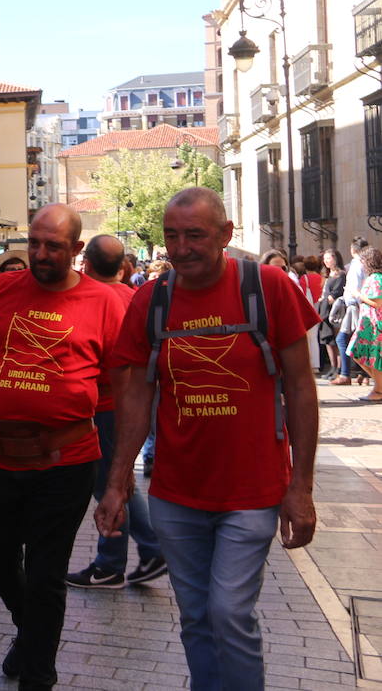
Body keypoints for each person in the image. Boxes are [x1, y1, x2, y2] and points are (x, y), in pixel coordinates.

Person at [97, 188, 318, 691]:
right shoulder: (152, 299)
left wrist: (300, 487)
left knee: (228, 612)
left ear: (225, 235)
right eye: (171, 236)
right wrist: (117, 483)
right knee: (196, 616)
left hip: (253, 491)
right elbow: (134, 396)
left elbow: (302, 388)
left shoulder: (267, 288)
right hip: (176, 493)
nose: (180, 248)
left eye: (194, 235)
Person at [0, 204, 126, 690]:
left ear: (77, 250)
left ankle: (38, 673)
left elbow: (124, 392)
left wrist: (119, 478)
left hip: (67, 462)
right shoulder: (0, 289)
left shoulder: (105, 302)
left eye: (53, 246)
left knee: (46, 574)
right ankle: (31, 629)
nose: (40, 254)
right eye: (34, 243)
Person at [65, 235, 165, 590]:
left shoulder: (98, 299)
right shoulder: (131, 295)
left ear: (87, 265)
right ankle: (147, 551)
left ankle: (116, 561)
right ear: (123, 267)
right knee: (119, 481)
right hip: (128, 403)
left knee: (110, 484)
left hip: (106, 405)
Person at [346, 247, 382, 402]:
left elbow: (378, 302)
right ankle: (379, 387)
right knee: (361, 354)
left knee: (368, 356)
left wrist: (358, 294)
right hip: (369, 324)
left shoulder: (376, 278)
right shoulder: (375, 277)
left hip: (374, 324)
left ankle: (379, 390)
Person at [340, 237, 369, 386]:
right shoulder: (365, 264)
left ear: (353, 250)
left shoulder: (356, 265)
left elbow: (356, 287)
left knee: (344, 339)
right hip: (358, 304)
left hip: (355, 305)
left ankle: (348, 373)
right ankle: (362, 373)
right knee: (357, 339)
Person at [321, 248, 346, 380]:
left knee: (337, 339)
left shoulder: (341, 274)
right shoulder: (327, 275)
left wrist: (327, 298)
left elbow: (335, 293)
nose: (326, 261)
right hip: (325, 310)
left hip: (335, 311)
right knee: (328, 340)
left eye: (328, 258)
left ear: (335, 258)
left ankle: (339, 368)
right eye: (324, 259)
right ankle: (332, 366)